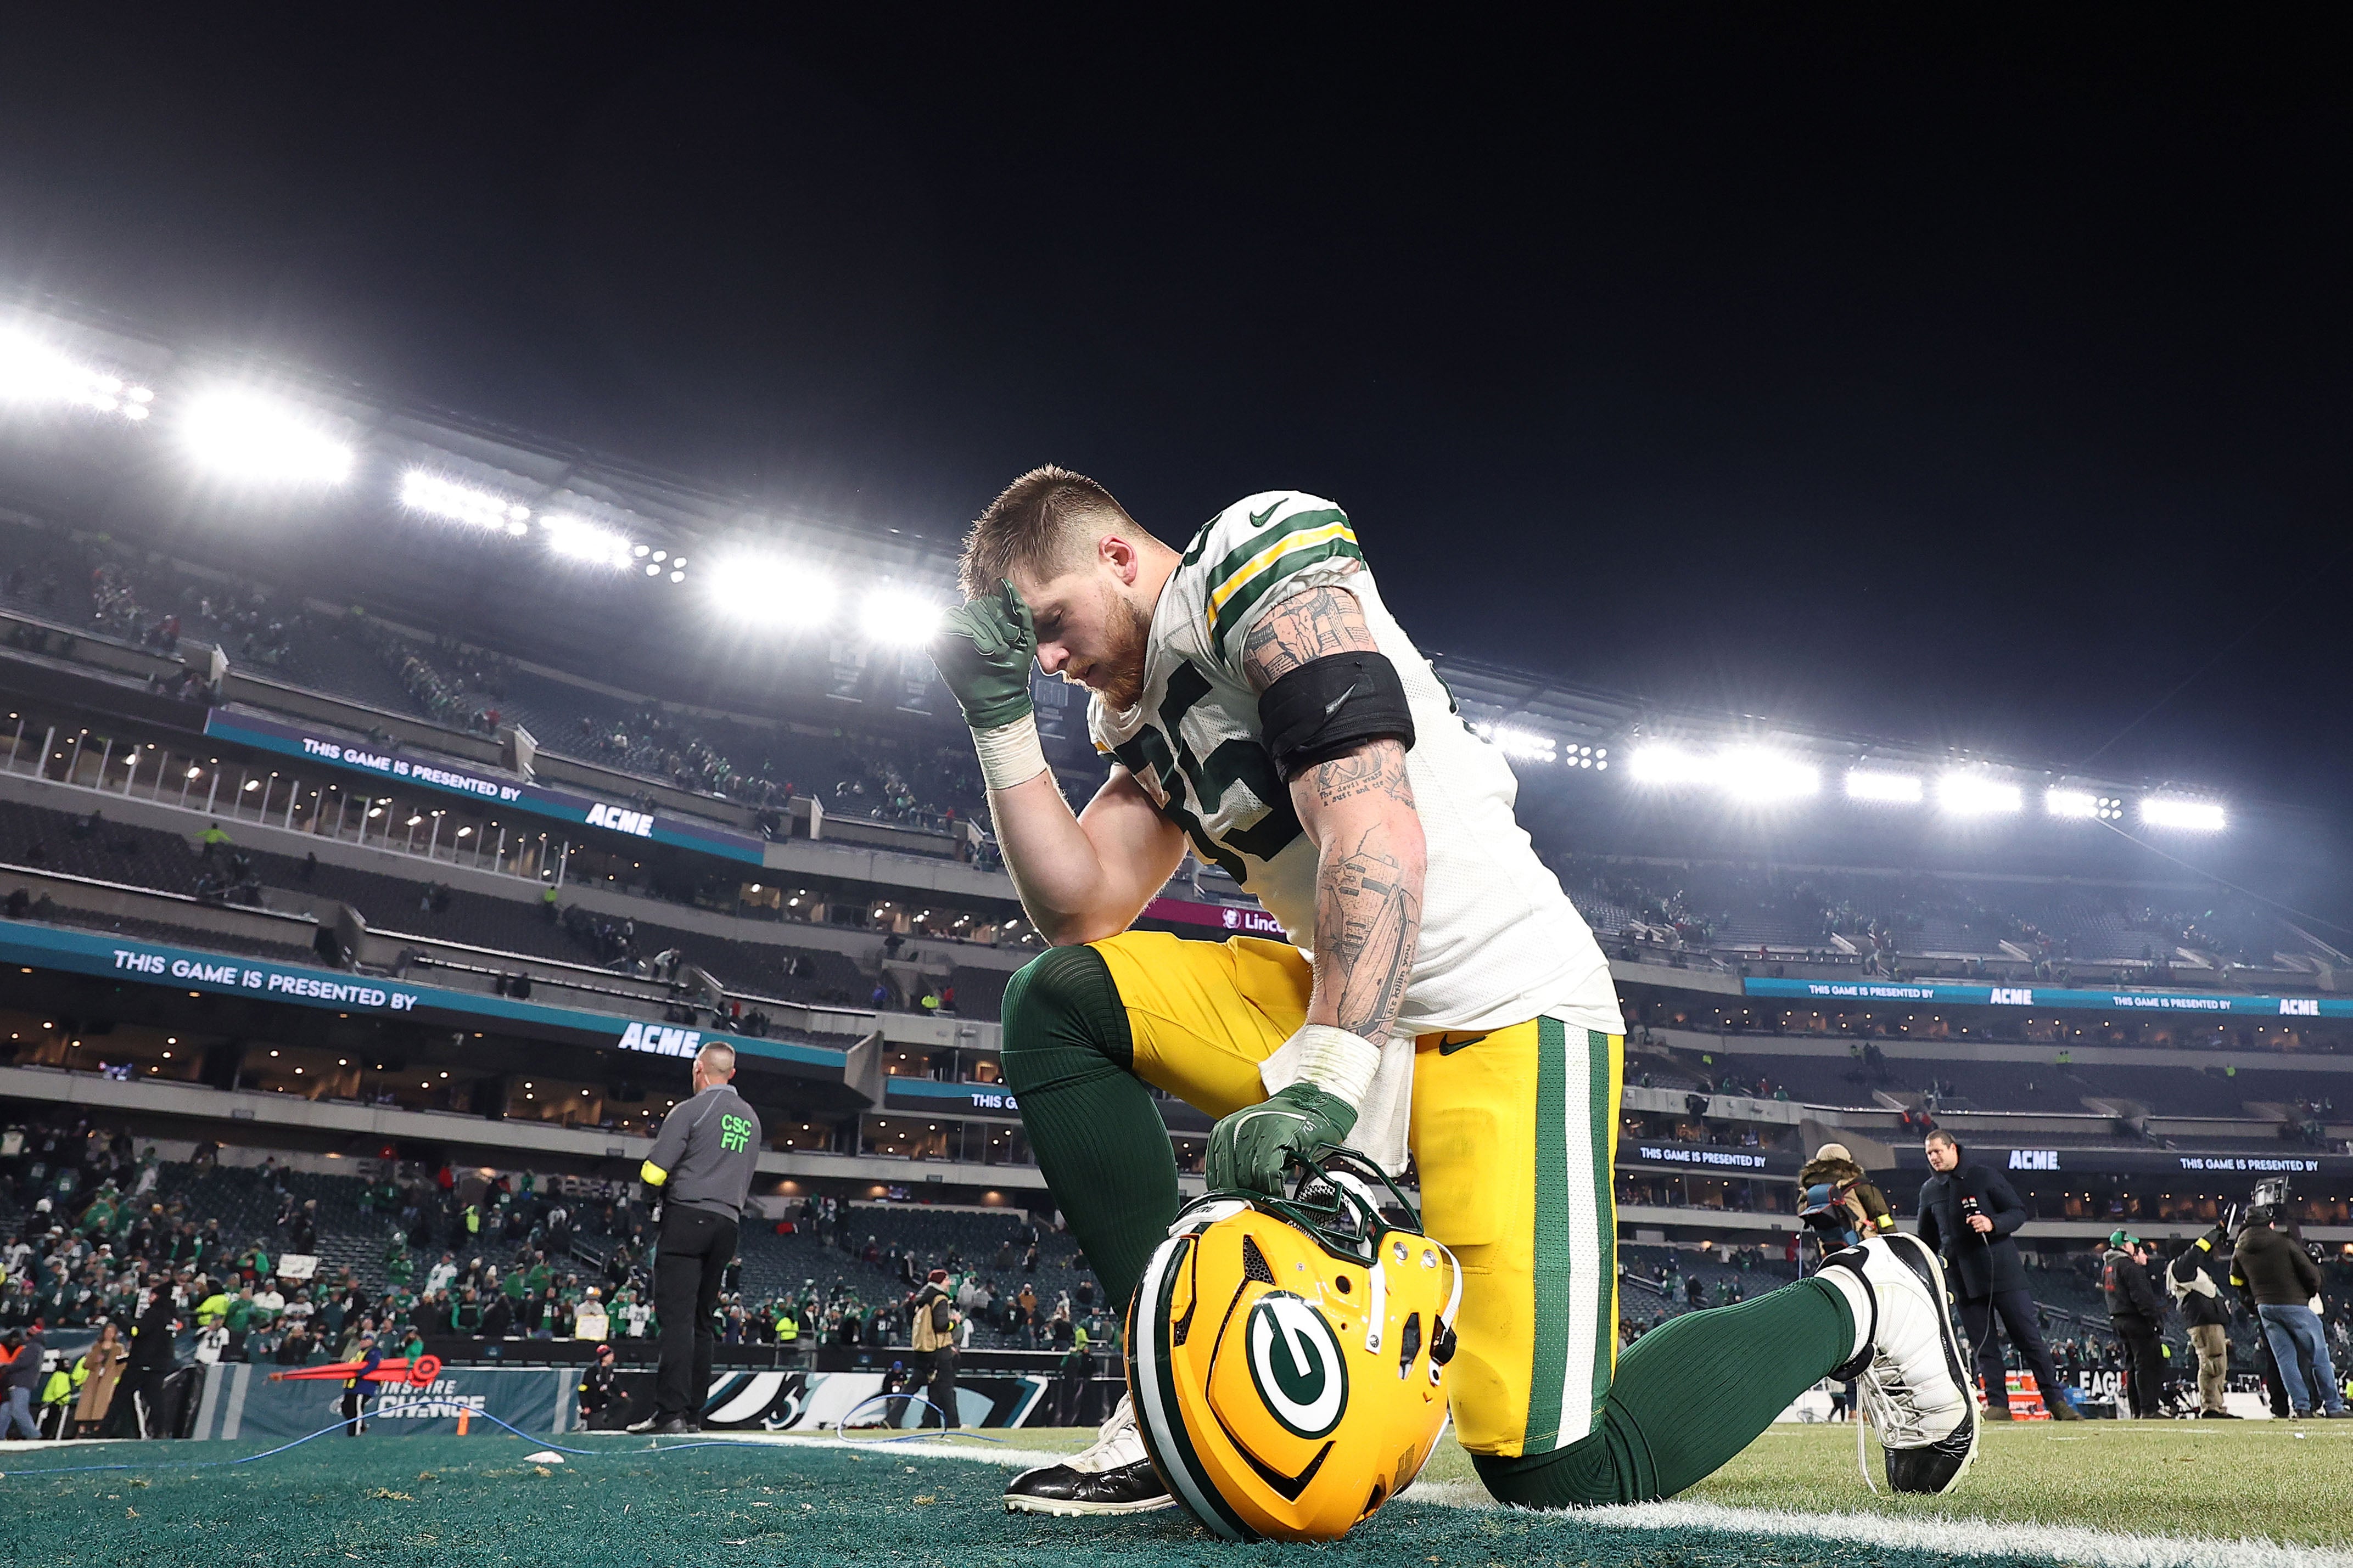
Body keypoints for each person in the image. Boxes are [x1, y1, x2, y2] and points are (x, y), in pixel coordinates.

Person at [927, 470, 1978, 1515]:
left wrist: (1325, 1081)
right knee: (1059, 998)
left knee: (1561, 1470)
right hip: (1343, 1000)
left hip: (1501, 1000)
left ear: (1116, 555)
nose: (1052, 661)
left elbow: (1372, 826)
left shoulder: (1255, 559)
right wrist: (998, 722)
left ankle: (1868, 1295)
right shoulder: (1132, 715)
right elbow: (1083, 905)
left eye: (1054, 624)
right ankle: (1172, 1395)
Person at [630, 1043, 761, 1435]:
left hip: (688, 1217)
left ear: (698, 1068)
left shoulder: (690, 1110)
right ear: (732, 1073)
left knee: (677, 1319)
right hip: (728, 1224)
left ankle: (669, 1413)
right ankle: (692, 1414)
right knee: (703, 1321)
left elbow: (655, 1170)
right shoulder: (751, 1119)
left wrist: (648, 1198)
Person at [1914, 1131, 2079, 1420]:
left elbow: (2017, 1211)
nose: (1934, 1158)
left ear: (1953, 1148)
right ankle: (1998, 1405)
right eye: (1929, 1154)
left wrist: (1993, 1223)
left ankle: (2058, 1404)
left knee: (2029, 1340)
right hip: (1962, 1280)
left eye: (1938, 1151)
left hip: (2003, 1273)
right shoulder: (1929, 1190)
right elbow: (1927, 1239)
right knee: (1983, 1346)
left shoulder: (1983, 1176)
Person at [2232, 1208, 2350, 1419]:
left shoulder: (2240, 1248)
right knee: (2319, 1355)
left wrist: (2252, 1300)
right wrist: (2308, 1293)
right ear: (2269, 1224)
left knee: (2286, 1360)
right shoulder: (2283, 1243)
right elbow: (2311, 1274)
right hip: (2294, 1304)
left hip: (2265, 1307)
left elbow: (2236, 1280)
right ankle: (2334, 1406)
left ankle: (2301, 1407)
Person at [2167, 1226, 2238, 1418]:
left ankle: (2216, 1406)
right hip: (2204, 1322)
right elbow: (2195, 1253)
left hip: (2208, 1322)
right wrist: (2215, 1233)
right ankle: (2211, 1407)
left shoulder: (2184, 1270)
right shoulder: (2181, 1267)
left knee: (2216, 1365)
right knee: (2211, 1364)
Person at [2100, 1232, 2169, 1419]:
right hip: (2135, 1320)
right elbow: (2142, 1298)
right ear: (2124, 1246)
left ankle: (2136, 1409)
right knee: (2144, 1364)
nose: (2134, 1247)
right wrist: (2154, 1320)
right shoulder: (2128, 1266)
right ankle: (2149, 1409)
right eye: (2131, 1243)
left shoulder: (2109, 1265)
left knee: (2131, 1365)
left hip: (2118, 1319)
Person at [910, 1267, 960, 1429]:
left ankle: (928, 1422)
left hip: (924, 1349)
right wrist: (954, 1323)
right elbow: (941, 1326)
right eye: (946, 1279)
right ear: (940, 1281)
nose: (949, 1282)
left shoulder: (923, 1300)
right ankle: (953, 1424)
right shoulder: (940, 1299)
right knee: (946, 1388)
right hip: (939, 1349)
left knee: (935, 1389)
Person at [1, 1324, 43, 1440]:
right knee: (6, 1409)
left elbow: (22, 1364)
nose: (26, 1337)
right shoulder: (37, 1348)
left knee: (18, 1410)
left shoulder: (32, 1348)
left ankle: (33, 1435)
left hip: (21, 1383)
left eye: (29, 1335)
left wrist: (6, 1367)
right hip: (20, 1383)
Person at [342, 1331, 382, 1435]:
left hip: (363, 1386)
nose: (362, 1342)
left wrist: (360, 1373)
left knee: (357, 1410)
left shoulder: (374, 1351)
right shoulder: (359, 1353)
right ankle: (361, 1426)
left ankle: (356, 1433)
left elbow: (374, 1363)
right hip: (352, 1386)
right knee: (346, 1407)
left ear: (372, 1342)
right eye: (362, 1340)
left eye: (366, 1340)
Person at [578, 1344, 621, 1430]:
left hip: (605, 1405)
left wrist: (621, 1392)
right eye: (610, 1356)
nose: (612, 1358)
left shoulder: (609, 1369)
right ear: (604, 1357)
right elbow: (583, 1389)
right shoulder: (592, 1370)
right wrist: (585, 1406)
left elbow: (613, 1384)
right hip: (594, 1406)